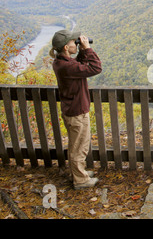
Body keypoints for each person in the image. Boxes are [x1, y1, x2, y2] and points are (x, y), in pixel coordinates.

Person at [49, 29, 102, 189]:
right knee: (79, 147)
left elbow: (77, 65)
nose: (77, 43)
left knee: (77, 144)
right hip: (76, 112)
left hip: (73, 109)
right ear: (66, 47)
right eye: (74, 42)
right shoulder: (66, 66)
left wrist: (81, 52)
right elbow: (95, 68)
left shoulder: (62, 62)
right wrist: (87, 49)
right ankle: (80, 180)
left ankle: (78, 172)